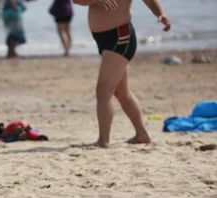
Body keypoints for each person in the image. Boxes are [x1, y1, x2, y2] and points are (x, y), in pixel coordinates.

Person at [73, 0, 171, 148]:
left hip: (120, 36)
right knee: (122, 92)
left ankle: (103, 141)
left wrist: (160, 14)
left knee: (103, 90)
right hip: (104, 39)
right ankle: (142, 134)